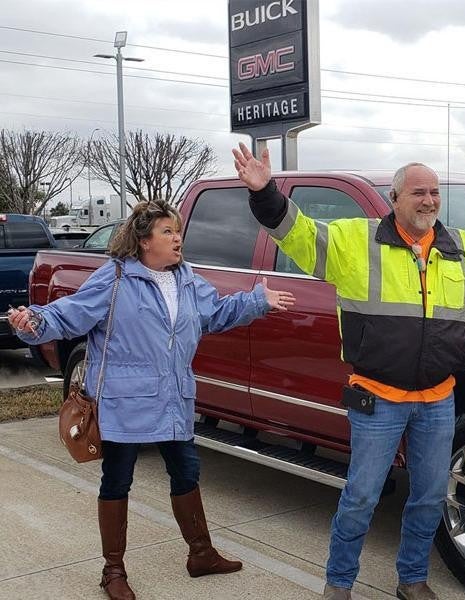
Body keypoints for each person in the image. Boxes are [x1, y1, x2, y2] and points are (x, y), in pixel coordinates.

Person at [232, 143, 465, 600]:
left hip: (437, 399)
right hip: (377, 397)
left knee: (431, 498)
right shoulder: (355, 242)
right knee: (360, 498)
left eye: (434, 192)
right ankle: (338, 586)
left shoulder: (464, 251)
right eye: (418, 192)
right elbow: (295, 233)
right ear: (396, 199)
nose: (428, 200)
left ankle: (412, 580)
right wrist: (264, 193)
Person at [8, 199, 295, 600]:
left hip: (174, 398)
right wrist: (32, 322)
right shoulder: (114, 280)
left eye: (178, 231)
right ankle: (113, 570)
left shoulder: (186, 278)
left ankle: (201, 554)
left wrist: (256, 302)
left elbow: (215, 313)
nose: (178, 238)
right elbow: (65, 315)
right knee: (118, 480)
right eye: (167, 232)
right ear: (144, 241)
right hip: (125, 403)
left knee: (187, 473)